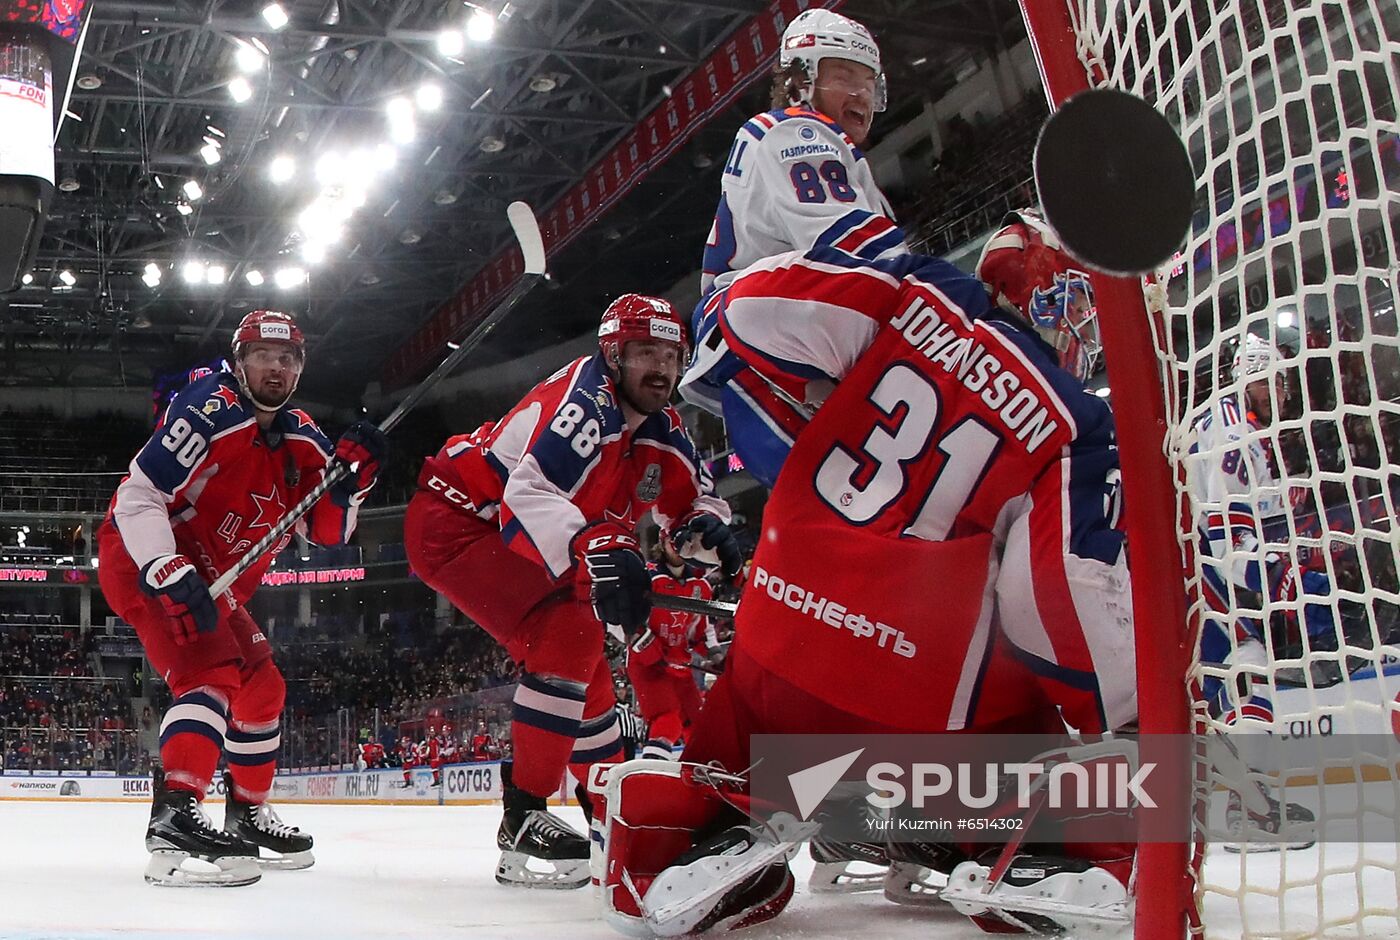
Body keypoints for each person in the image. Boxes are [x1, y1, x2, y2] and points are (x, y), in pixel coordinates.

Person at [598, 226, 1138, 935]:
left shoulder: (913, 292)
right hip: (921, 701)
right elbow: (1053, 595)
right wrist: (1121, 718)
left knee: (731, 747)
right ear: (1046, 294)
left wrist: (826, 378)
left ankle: (685, 831)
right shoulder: (1078, 417)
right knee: (1023, 709)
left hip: (779, 649)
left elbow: (743, 310)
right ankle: (1043, 846)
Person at [404, 293, 741, 889]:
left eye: (670, 353)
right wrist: (597, 547)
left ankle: (606, 810)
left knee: (587, 673)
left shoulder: (663, 427)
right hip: (459, 523)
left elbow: (687, 509)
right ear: (612, 355)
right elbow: (524, 500)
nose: (660, 367)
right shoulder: (585, 403)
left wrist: (707, 526)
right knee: (574, 629)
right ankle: (525, 814)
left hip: (509, 528)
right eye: (644, 353)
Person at [96, 309, 388, 887]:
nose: (275, 367)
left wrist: (355, 482)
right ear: (239, 359)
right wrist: (163, 564)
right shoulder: (210, 407)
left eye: (287, 358)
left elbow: (327, 532)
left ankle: (248, 813)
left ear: (298, 369)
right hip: (145, 560)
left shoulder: (304, 436)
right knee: (211, 673)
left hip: (213, 581)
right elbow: (139, 496)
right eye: (262, 355)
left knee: (263, 689)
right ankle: (176, 812)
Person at [684, 8, 906, 489]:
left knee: (854, 524)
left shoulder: (829, 145)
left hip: (773, 355)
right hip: (773, 350)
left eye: (869, 82)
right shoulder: (795, 130)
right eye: (845, 75)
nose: (862, 95)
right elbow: (854, 249)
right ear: (802, 78)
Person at [1186, 329, 1329, 849]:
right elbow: (1229, 539)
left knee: (1232, 682)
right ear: (1257, 375)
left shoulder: (1240, 426)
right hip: (1201, 575)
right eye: (1278, 380)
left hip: (1204, 575)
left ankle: (1247, 803)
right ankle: (1250, 811)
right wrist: (1282, 575)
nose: (1284, 390)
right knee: (1245, 667)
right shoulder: (1231, 432)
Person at [627, 539, 723, 759]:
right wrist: (646, 644)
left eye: (687, 540)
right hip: (648, 665)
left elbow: (701, 628)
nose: (680, 546)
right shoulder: (646, 576)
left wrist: (715, 654)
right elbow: (623, 620)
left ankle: (702, 782)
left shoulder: (700, 585)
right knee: (668, 720)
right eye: (674, 540)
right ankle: (648, 781)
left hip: (680, 666)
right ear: (662, 541)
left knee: (699, 728)